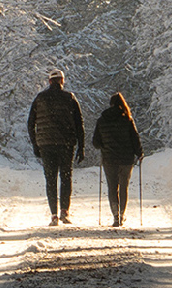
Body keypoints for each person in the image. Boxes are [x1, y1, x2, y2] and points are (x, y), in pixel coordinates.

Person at [27, 69, 84, 226]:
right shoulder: (69, 98)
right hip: (66, 144)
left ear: (50, 81)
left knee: (50, 179)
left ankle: (53, 215)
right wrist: (81, 146)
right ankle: (64, 211)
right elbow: (79, 124)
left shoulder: (39, 99)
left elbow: (30, 123)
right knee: (66, 177)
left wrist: (35, 143)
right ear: (62, 81)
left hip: (46, 145)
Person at [91, 91, 142, 227]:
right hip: (126, 159)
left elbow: (95, 142)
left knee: (112, 188)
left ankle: (115, 215)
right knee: (123, 187)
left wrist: (104, 146)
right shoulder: (127, 119)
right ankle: (122, 214)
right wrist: (140, 153)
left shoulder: (102, 120)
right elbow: (135, 138)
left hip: (109, 159)